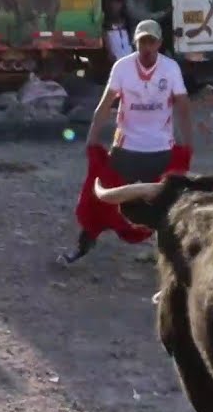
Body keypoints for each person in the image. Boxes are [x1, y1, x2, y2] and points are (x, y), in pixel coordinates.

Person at [60, 20, 194, 264]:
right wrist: (92, 139)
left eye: (151, 41)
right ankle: (81, 248)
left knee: (168, 205)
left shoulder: (170, 69)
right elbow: (105, 105)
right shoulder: (122, 67)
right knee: (101, 197)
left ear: (159, 44)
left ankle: (171, 259)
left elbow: (183, 106)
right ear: (136, 43)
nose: (147, 47)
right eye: (142, 41)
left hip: (161, 149)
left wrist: (187, 143)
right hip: (126, 148)